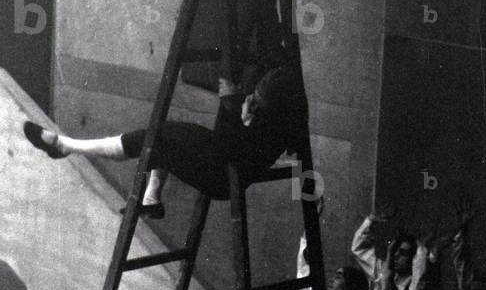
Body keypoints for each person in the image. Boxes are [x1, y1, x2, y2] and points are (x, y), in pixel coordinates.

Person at [22, 65, 305, 217]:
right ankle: (150, 199)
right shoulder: (281, 119)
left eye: (256, 101)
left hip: (220, 175)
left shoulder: (266, 129)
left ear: (267, 111)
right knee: (166, 134)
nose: (251, 101)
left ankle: (64, 147)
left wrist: (235, 106)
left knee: (154, 140)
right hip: (222, 162)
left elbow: (233, 147)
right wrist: (244, 110)